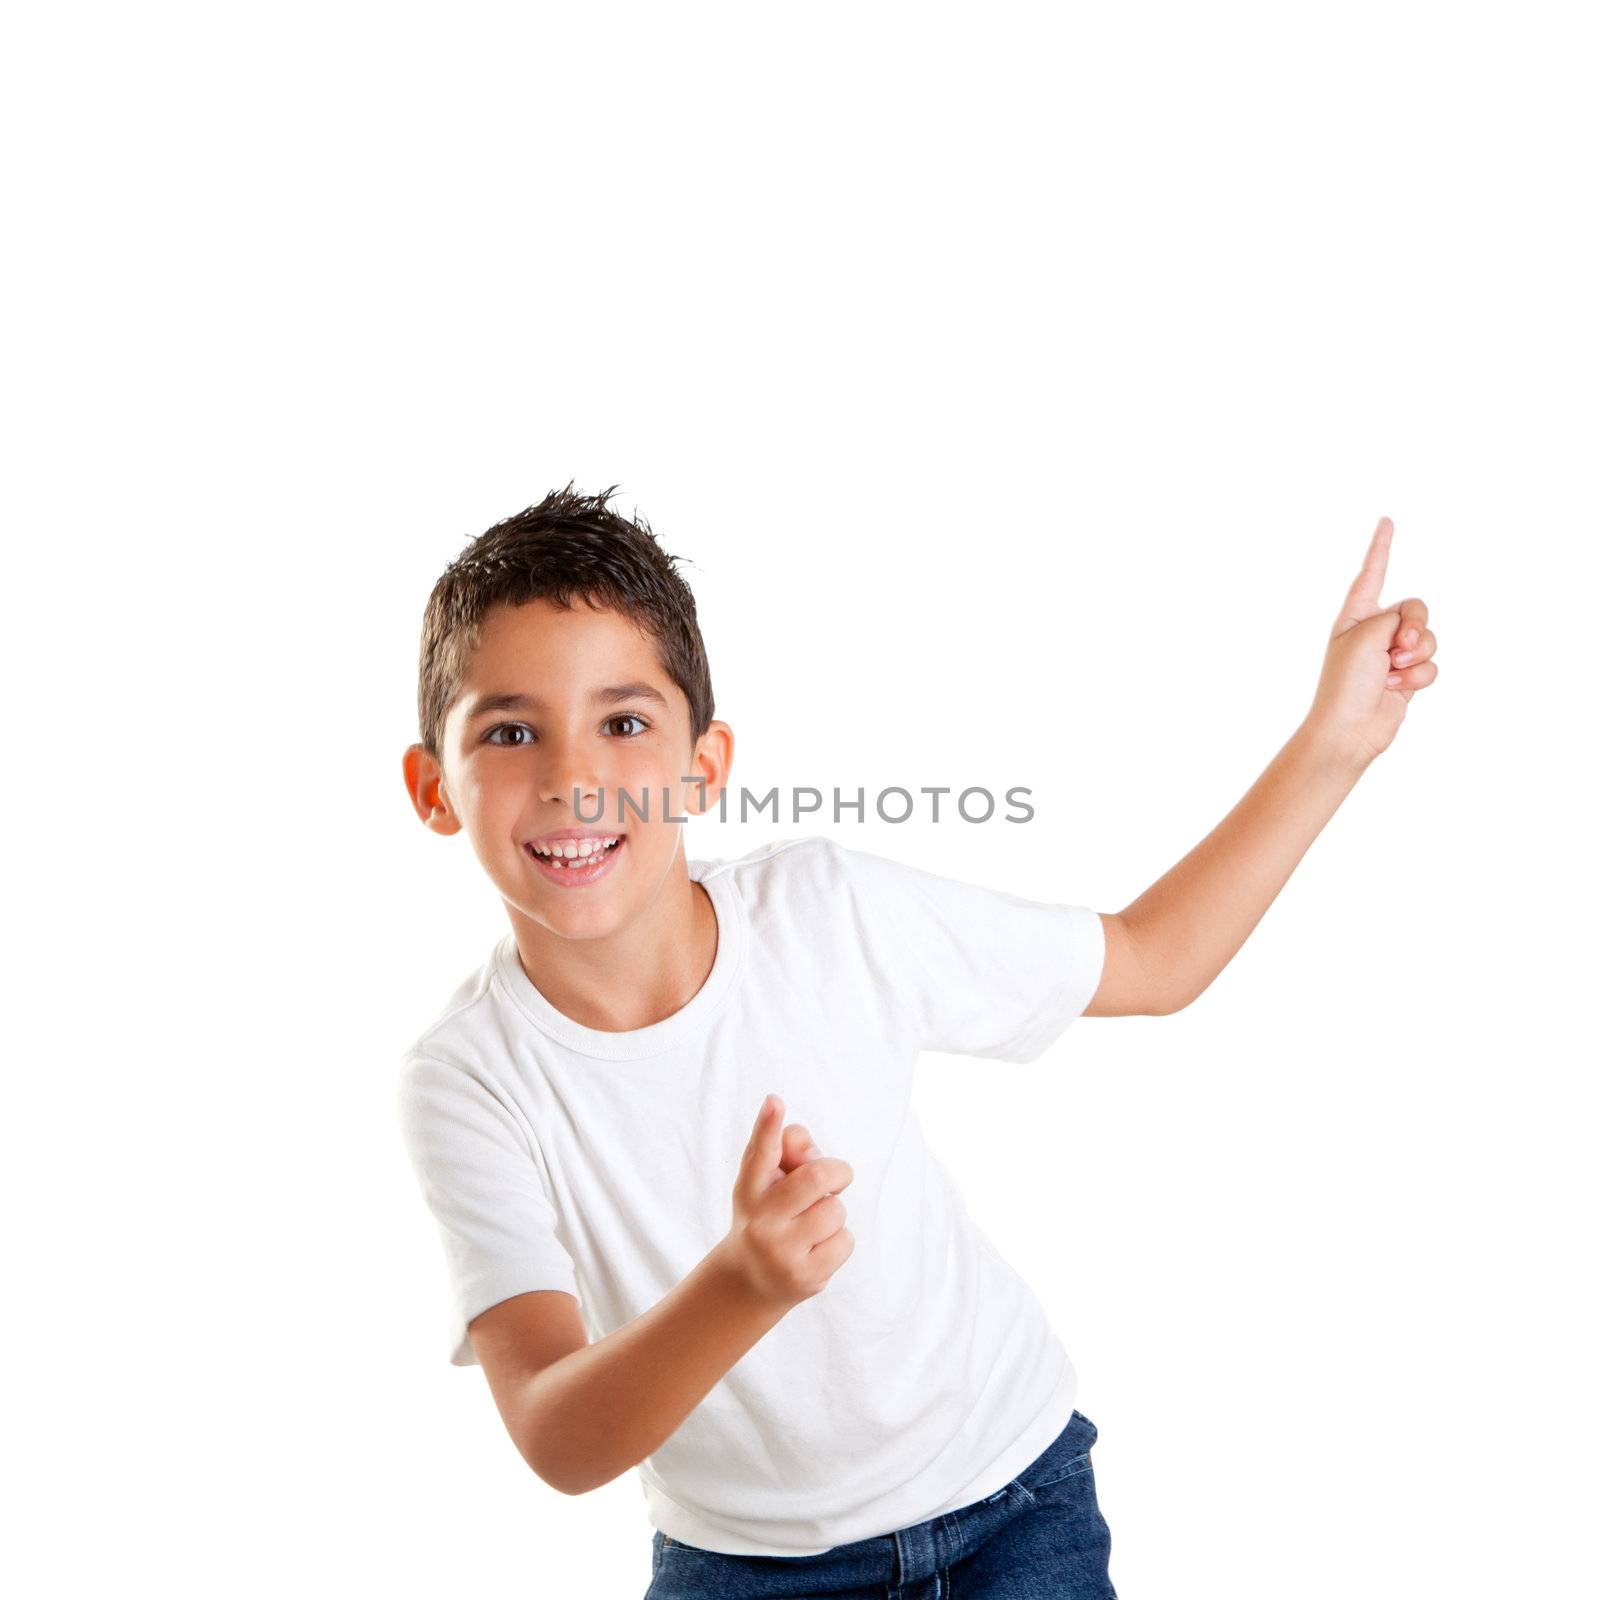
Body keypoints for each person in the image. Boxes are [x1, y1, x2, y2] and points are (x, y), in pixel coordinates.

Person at [395, 484, 1438, 1597]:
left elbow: (1150, 957)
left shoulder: (829, 913)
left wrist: (1336, 741)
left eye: (624, 721)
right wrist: (742, 1283)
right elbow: (558, 1436)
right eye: (510, 731)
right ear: (433, 788)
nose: (572, 778)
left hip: (1009, 1504)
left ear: (705, 763)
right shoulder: (467, 1077)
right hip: (744, 1567)